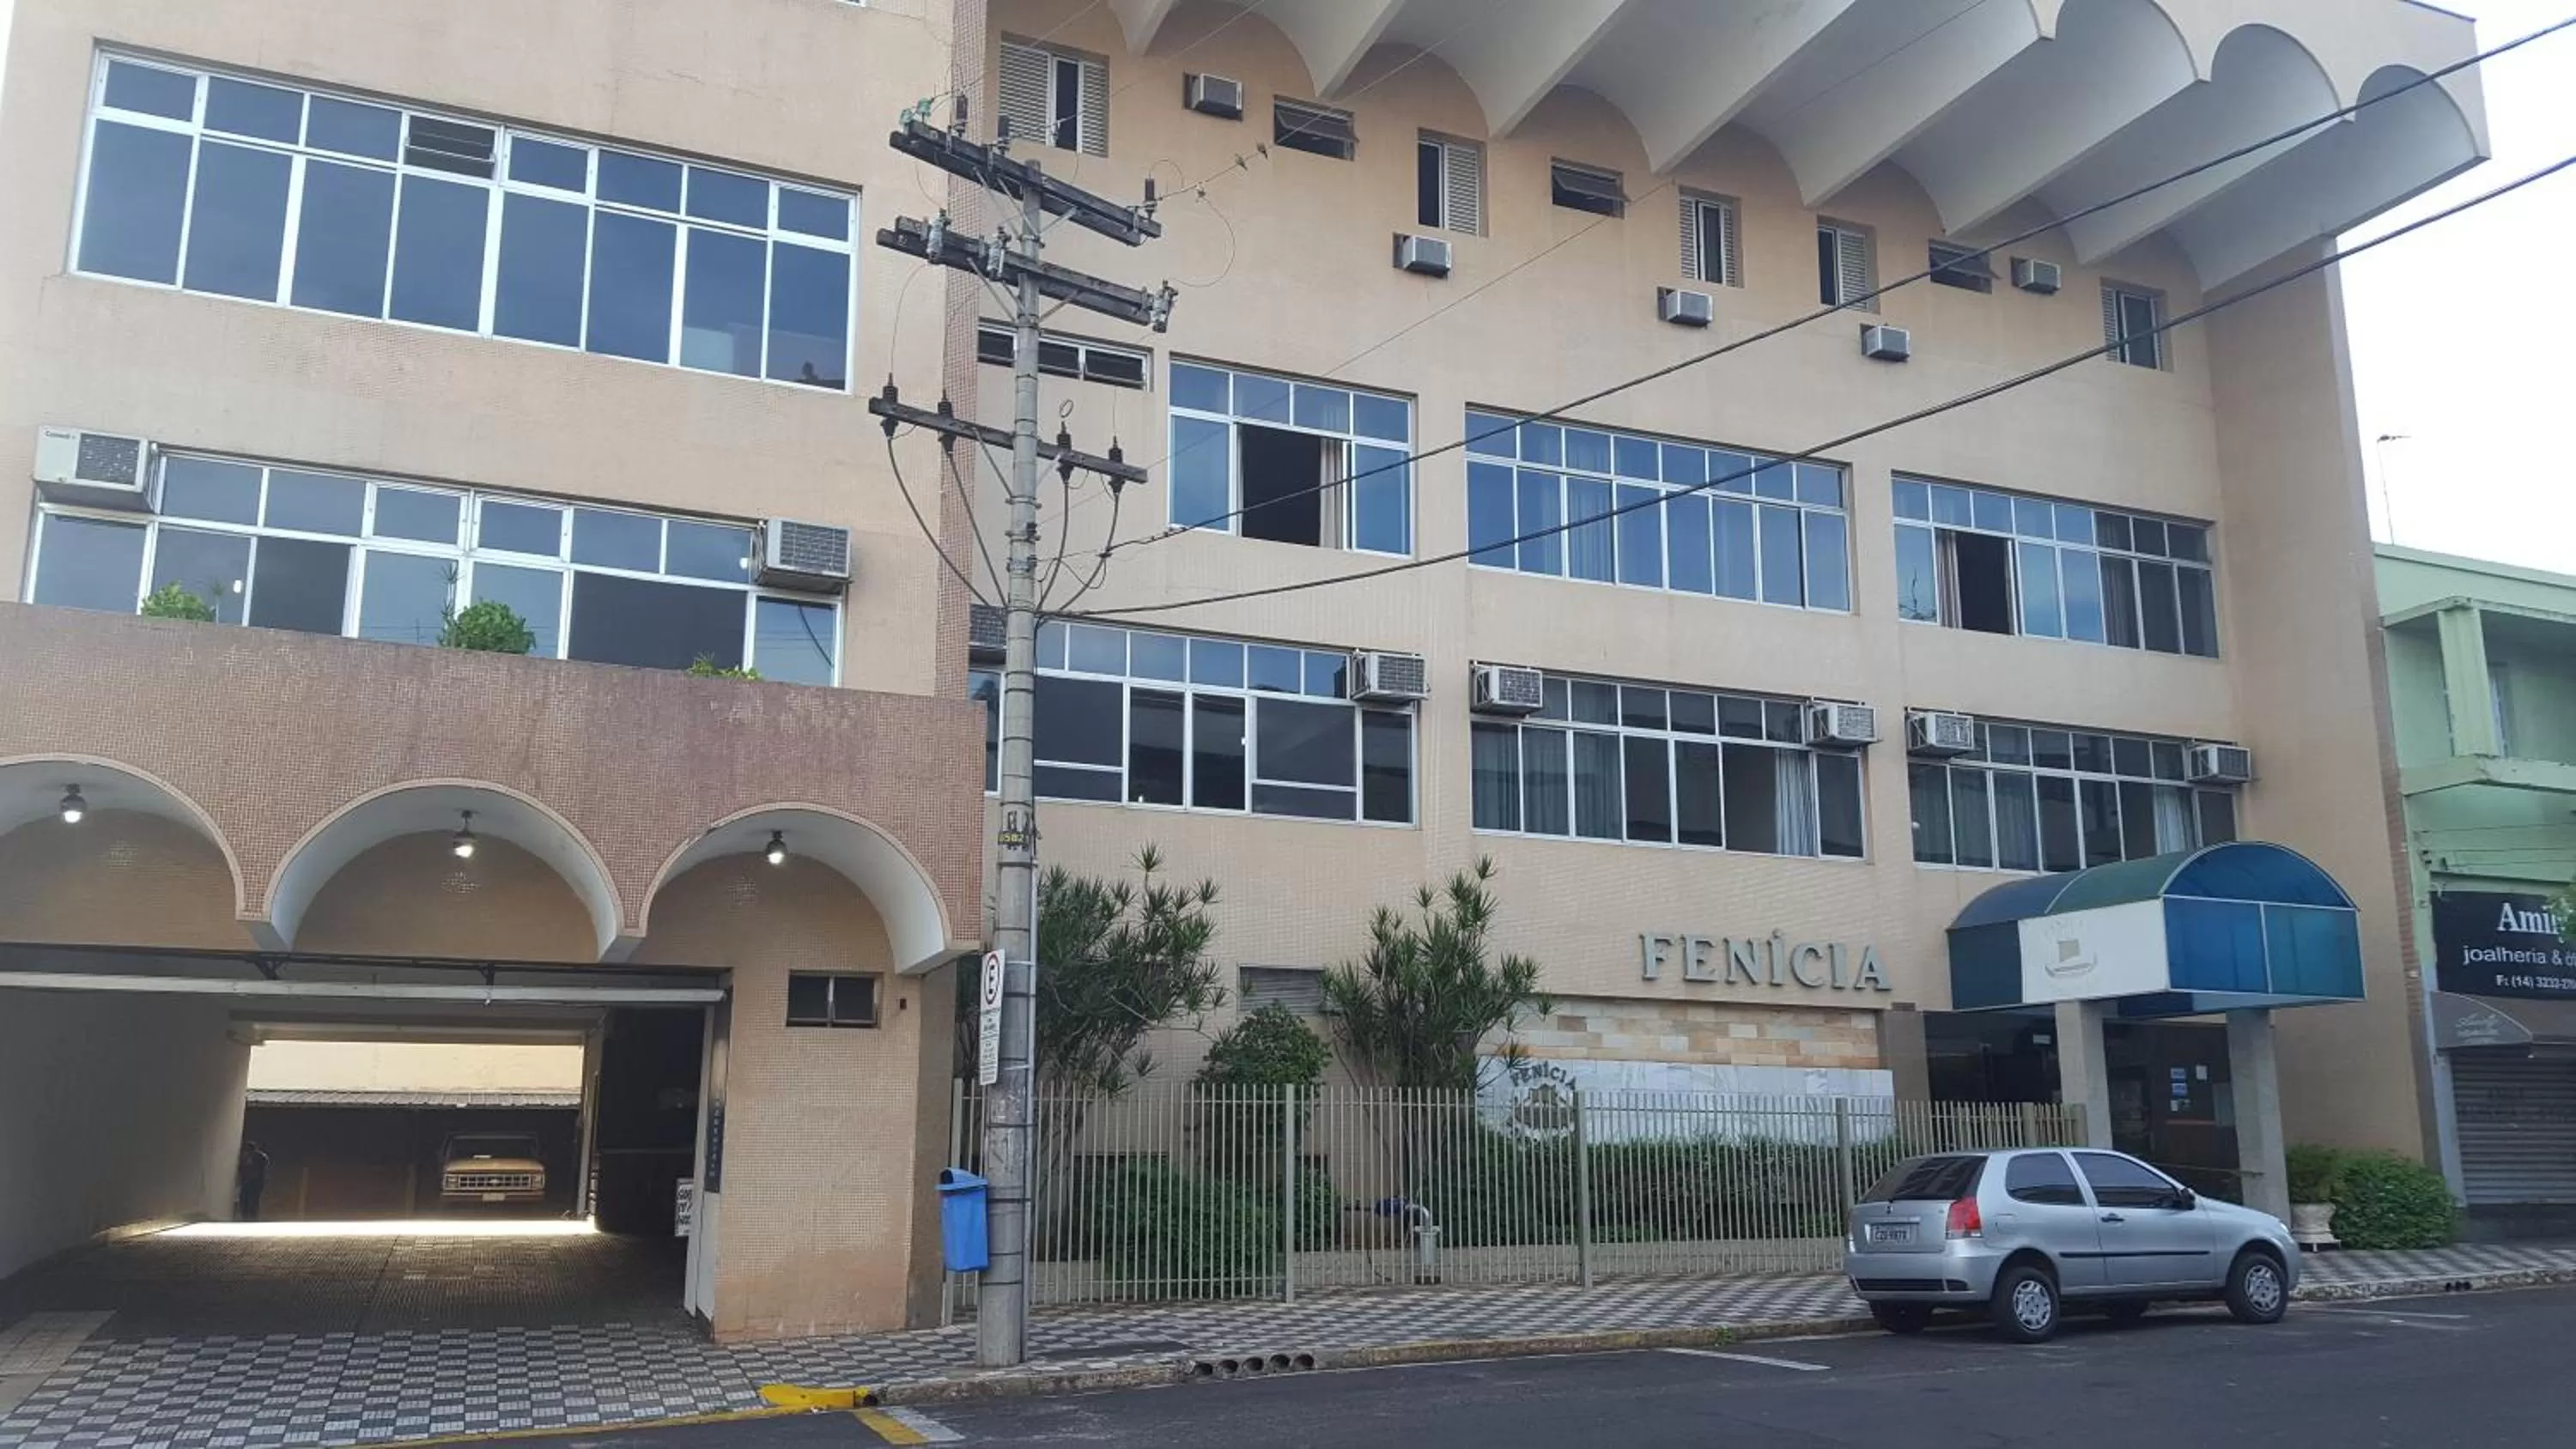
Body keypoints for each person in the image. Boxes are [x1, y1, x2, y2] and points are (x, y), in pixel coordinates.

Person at [236, 1140, 270, 1221]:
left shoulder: (256, 1157)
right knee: (250, 1200)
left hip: (252, 1182)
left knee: (249, 1200)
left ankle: (249, 1217)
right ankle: (250, 1217)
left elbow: (243, 1169)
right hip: (253, 1182)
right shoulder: (259, 1156)